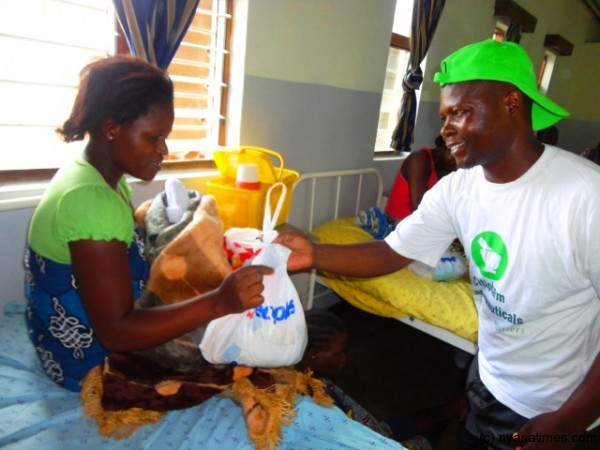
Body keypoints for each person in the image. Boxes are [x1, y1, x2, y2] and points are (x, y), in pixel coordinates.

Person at [276, 39, 600, 450]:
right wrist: (314, 253)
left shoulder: (585, 195)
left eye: (461, 112)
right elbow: (392, 251)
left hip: (559, 406)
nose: (446, 129)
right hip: (488, 380)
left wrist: (569, 423)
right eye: (445, 115)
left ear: (512, 104)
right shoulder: (458, 189)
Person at [25, 55, 273, 392]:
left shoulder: (94, 177)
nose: (164, 150)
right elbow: (116, 332)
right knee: (241, 357)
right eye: (154, 137)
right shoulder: (91, 201)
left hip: (58, 341)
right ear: (111, 127)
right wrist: (220, 301)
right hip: (87, 364)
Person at [297, 308, 464, 450]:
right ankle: (445, 419)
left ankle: (451, 410)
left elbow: (374, 430)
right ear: (314, 355)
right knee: (419, 443)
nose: (344, 358)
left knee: (387, 430)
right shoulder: (319, 404)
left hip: (365, 431)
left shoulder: (314, 379)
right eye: (338, 353)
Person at [386, 135, 457, 223]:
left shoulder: (445, 167)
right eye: (455, 155)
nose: (456, 162)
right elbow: (419, 209)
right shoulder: (419, 160)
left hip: (418, 223)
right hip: (398, 223)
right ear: (446, 148)